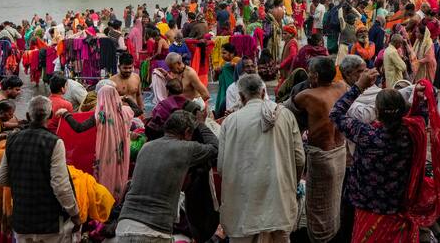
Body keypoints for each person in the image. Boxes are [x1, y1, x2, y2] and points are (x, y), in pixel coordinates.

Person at [331, 70, 440, 242]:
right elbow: (422, 111)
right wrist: (419, 95)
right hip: (398, 209)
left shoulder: (366, 135)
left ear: (378, 113)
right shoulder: (413, 133)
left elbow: (336, 113)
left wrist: (359, 86)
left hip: (368, 210)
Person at [218, 74, 304, 243]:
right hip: (278, 201)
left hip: (243, 207)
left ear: (241, 97)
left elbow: (221, 166)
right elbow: (299, 158)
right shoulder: (285, 115)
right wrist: (291, 185)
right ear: (264, 92)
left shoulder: (230, 122)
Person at [117, 110, 218, 242]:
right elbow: (215, 147)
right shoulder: (186, 148)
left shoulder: (146, 147)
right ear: (187, 132)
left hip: (124, 224)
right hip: (154, 231)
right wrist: (201, 124)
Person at [0, 96, 81, 242]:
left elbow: (2, 178)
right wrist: (74, 213)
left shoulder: (12, 140)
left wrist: (24, 185)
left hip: (22, 220)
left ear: (28, 116)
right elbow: (60, 186)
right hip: (49, 222)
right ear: (50, 116)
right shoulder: (54, 142)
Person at [288, 56, 347, 242]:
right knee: (334, 202)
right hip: (340, 153)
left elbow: (284, 110)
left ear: (315, 76)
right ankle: (333, 233)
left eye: (310, 73)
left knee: (318, 208)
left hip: (322, 158)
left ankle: (321, 238)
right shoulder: (342, 87)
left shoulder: (309, 96)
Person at [57, 85, 133, 201]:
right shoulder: (125, 112)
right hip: (121, 153)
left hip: (106, 153)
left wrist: (65, 114)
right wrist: (127, 99)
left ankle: (106, 200)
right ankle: (119, 199)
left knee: (107, 174)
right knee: (119, 171)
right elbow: (138, 111)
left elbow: (79, 128)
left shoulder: (100, 116)